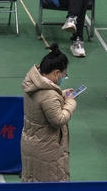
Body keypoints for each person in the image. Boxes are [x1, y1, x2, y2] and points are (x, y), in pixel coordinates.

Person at [21, 43, 77, 182]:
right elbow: (58, 120)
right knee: (49, 190)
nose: (64, 77)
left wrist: (61, 95)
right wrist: (70, 104)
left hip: (31, 141)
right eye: (64, 74)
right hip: (47, 150)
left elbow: (41, 103)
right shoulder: (49, 95)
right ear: (56, 73)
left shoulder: (32, 83)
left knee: (31, 183)